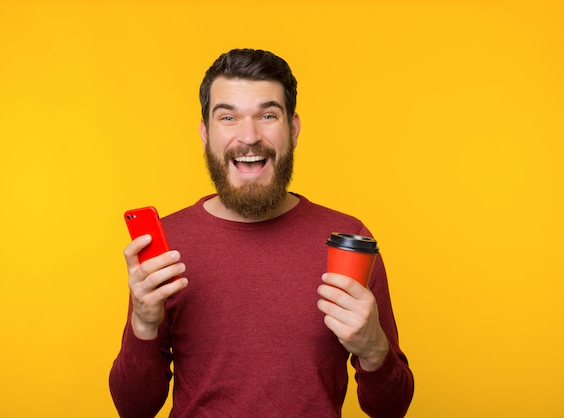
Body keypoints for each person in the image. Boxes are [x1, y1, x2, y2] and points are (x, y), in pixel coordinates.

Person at [109, 48, 414, 418]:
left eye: (268, 115)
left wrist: (374, 349)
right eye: (228, 117)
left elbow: (391, 408)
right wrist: (142, 324)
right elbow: (133, 408)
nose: (249, 136)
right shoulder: (166, 245)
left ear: (293, 129)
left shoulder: (348, 240)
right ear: (205, 132)